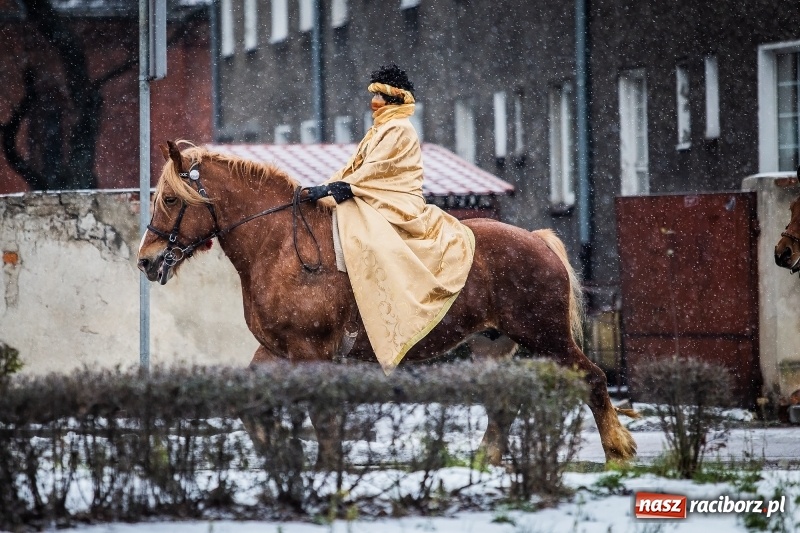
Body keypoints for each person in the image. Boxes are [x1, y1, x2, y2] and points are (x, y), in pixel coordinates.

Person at [304, 64, 475, 374]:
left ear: (393, 98)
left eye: (379, 96)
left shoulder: (399, 129)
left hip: (395, 202)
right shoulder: (379, 130)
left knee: (366, 238)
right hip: (375, 194)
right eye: (373, 96)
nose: (374, 103)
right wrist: (327, 187)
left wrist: (347, 188)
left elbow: (377, 171)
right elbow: (353, 168)